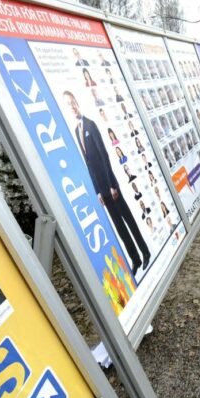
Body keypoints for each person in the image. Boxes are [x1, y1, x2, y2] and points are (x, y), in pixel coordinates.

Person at [64, 91, 151, 274]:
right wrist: (97, 191)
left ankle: (145, 252)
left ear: (77, 103)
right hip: (102, 191)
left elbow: (104, 156)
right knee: (119, 227)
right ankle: (134, 259)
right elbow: (88, 164)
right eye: (68, 105)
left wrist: (112, 184)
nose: (72, 107)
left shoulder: (91, 125)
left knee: (128, 220)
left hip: (111, 187)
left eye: (73, 103)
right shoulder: (77, 130)